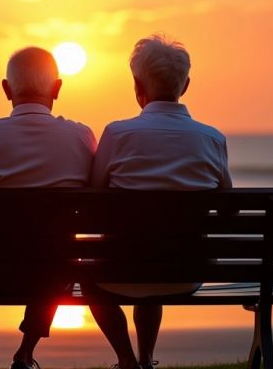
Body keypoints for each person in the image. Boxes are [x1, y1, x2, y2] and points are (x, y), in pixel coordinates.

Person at [0, 46, 96, 369]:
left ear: (6, 89)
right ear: (57, 89)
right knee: (60, 251)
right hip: (50, 276)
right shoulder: (81, 138)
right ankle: (25, 352)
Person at [87, 34, 232, 369]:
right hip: (184, 273)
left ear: (137, 86)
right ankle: (147, 359)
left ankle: (127, 360)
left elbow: (94, 196)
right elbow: (228, 205)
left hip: (118, 272)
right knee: (159, 252)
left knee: (95, 271)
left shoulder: (117, 134)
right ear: (187, 85)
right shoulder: (212, 139)